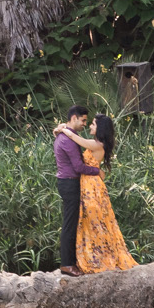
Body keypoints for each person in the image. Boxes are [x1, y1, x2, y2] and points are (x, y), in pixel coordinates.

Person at [55, 112, 137, 273]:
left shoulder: (97, 144)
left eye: (92, 124)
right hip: (87, 184)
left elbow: (78, 140)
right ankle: (89, 255)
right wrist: (61, 129)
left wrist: (63, 129)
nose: (90, 126)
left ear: (100, 128)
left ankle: (97, 256)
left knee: (95, 221)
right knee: (90, 221)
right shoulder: (96, 143)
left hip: (92, 187)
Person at [52, 105, 97, 276]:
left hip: (68, 182)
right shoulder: (67, 139)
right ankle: (67, 264)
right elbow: (78, 166)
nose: (85, 123)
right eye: (83, 120)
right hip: (69, 183)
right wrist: (97, 171)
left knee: (73, 223)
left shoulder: (68, 135)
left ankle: (73, 261)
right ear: (73, 118)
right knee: (69, 224)